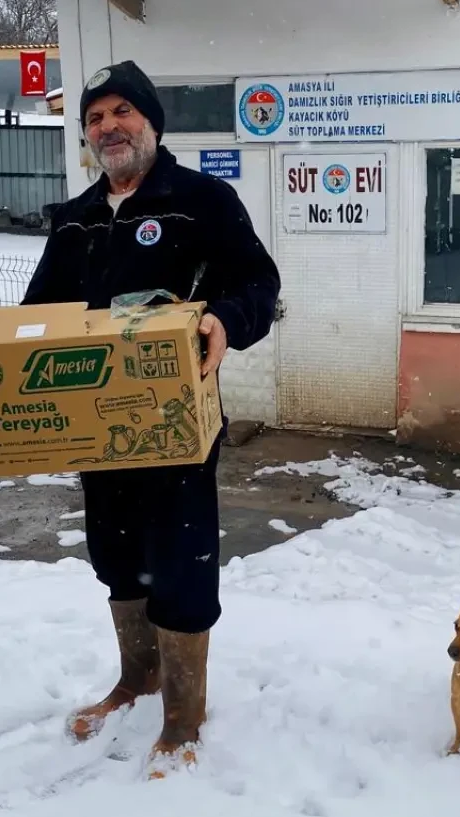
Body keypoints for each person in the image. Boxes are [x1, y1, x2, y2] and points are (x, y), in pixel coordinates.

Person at [21, 60, 280, 773]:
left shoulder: (201, 201)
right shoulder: (75, 220)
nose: (109, 127)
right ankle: (138, 676)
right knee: (115, 555)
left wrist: (228, 320)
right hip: (98, 430)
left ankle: (184, 712)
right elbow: (39, 313)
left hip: (174, 429)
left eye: (121, 112)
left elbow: (259, 282)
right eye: (95, 117)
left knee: (181, 561)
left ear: (152, 123)